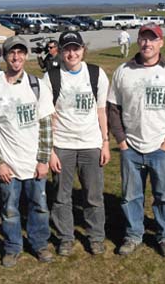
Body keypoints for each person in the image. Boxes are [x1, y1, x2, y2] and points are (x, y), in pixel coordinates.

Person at [108, 23, 165, 258]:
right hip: (131, 147)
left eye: (152, 39)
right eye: (143, 39)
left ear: (161, 43)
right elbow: (113, 108)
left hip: (161, 148)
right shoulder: (123, 71)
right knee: (130, 196)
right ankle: (133, 234)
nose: (147, 43)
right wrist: (122, 141)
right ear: (138, 42)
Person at [0, 36, 55, 268]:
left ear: (26, 56)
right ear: (4, 56)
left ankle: (40, 244)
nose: (16, 57)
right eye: (12, 52)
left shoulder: (37, 85)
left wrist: (43, 160)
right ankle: (12, 247)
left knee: (39, 206)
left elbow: (46, 126)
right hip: (8, 166)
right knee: (10, 209)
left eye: (21, 52)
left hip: (34, 164)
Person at [44, 31, 110, 256]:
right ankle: (65, 237)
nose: (72, 53)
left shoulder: (96, 74)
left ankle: (96, 237)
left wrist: (105, 142)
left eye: (76, 48)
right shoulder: (51, 77)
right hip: (62, 145)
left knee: (93, 195)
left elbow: (102, 110)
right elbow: (46, 116)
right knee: (62, 196)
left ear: (83, 50)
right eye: (67, 49)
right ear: (61, 52)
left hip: (91, 144)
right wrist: (50, 151)